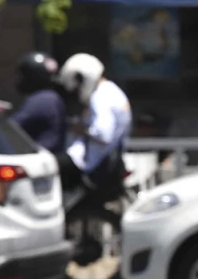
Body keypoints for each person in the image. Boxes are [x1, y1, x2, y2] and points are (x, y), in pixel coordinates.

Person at [56, 53, 132, 193]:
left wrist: (80, 128)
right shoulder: (111, 91)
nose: (78, 91)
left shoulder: (101, 96)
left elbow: (103, 134)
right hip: (105, 161)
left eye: (78, 86)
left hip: (91, 164)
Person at [11, 52, 67, 154]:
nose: (18, 80)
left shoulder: (42, 100)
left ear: (32, 76)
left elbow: (10, 130)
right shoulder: (51, 97)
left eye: (21, 75)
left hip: (39, 158)